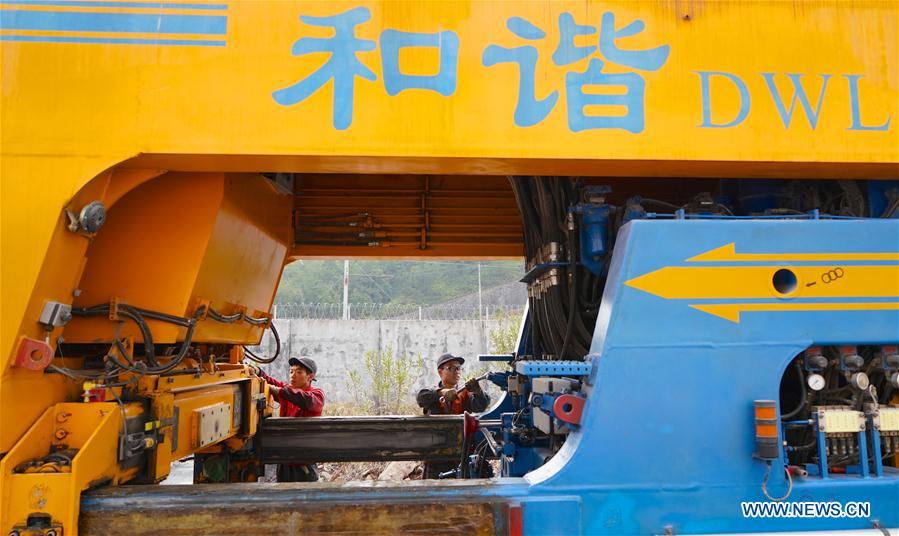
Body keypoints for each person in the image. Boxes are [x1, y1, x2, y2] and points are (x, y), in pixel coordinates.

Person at [416, 353, 489, 478]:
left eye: (458, 368)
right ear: (440, 372)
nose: (457, 371)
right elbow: (420, 398)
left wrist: (478, 391)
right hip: (436, 459)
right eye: (451, 368)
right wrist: (442, 393)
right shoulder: (432, 393)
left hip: (460, 458)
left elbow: (480, 406)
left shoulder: (465, 394)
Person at [253, 356, 324, 482]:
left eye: (298, 372)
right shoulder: (288, 391)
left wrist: (279, 391)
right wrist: (258, 371)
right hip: (284, 460)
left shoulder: (317, 395)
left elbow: (304, 400)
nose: (293, 375)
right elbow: (273, 382)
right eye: (291, 371)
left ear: (310, 376)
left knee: (304, 493)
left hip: (302, 462)